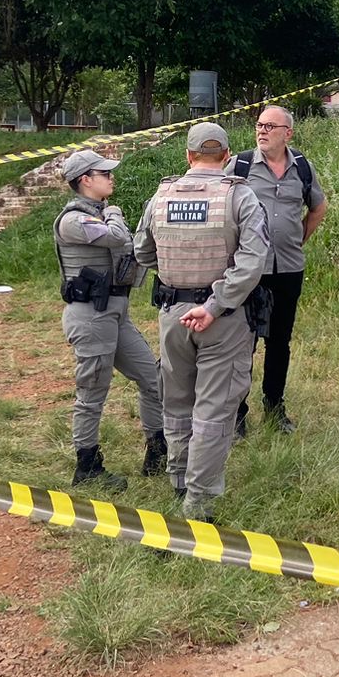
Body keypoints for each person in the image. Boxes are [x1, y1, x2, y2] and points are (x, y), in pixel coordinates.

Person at [135, 122, 270, 522]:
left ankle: (178, 480)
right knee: (213, 411)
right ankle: (198, 502)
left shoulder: (161, 196)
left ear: (189, 156)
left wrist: (179, 280)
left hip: (173, 315)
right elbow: (252, 262)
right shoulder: (240, 197)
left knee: (176, 403)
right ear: (227, 155)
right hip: (221, 319)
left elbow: (142, 252)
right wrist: (214, 305)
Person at [53, 148, 166, 493]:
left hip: (115, 313)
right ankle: (87, 464)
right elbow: (117, 237)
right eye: (104, 173)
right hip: (90, 317)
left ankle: (158, 451)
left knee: (153, 377)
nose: (111, 177)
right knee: (92, 393)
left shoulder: (99, 214)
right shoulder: (74, 220)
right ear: (85, 180)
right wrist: (115, 213)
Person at [227, 104, 327, 436]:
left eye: (271, 126)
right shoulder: (239, 165)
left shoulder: (302, 167)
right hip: (248, 271)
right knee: (243, 342)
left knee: (279, 341)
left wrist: (299, 239)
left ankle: (275, 407)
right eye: (259, 125)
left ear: (288, 133)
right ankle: (237, 413)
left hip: (287, 268)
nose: (262, 131)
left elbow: (318, 206)